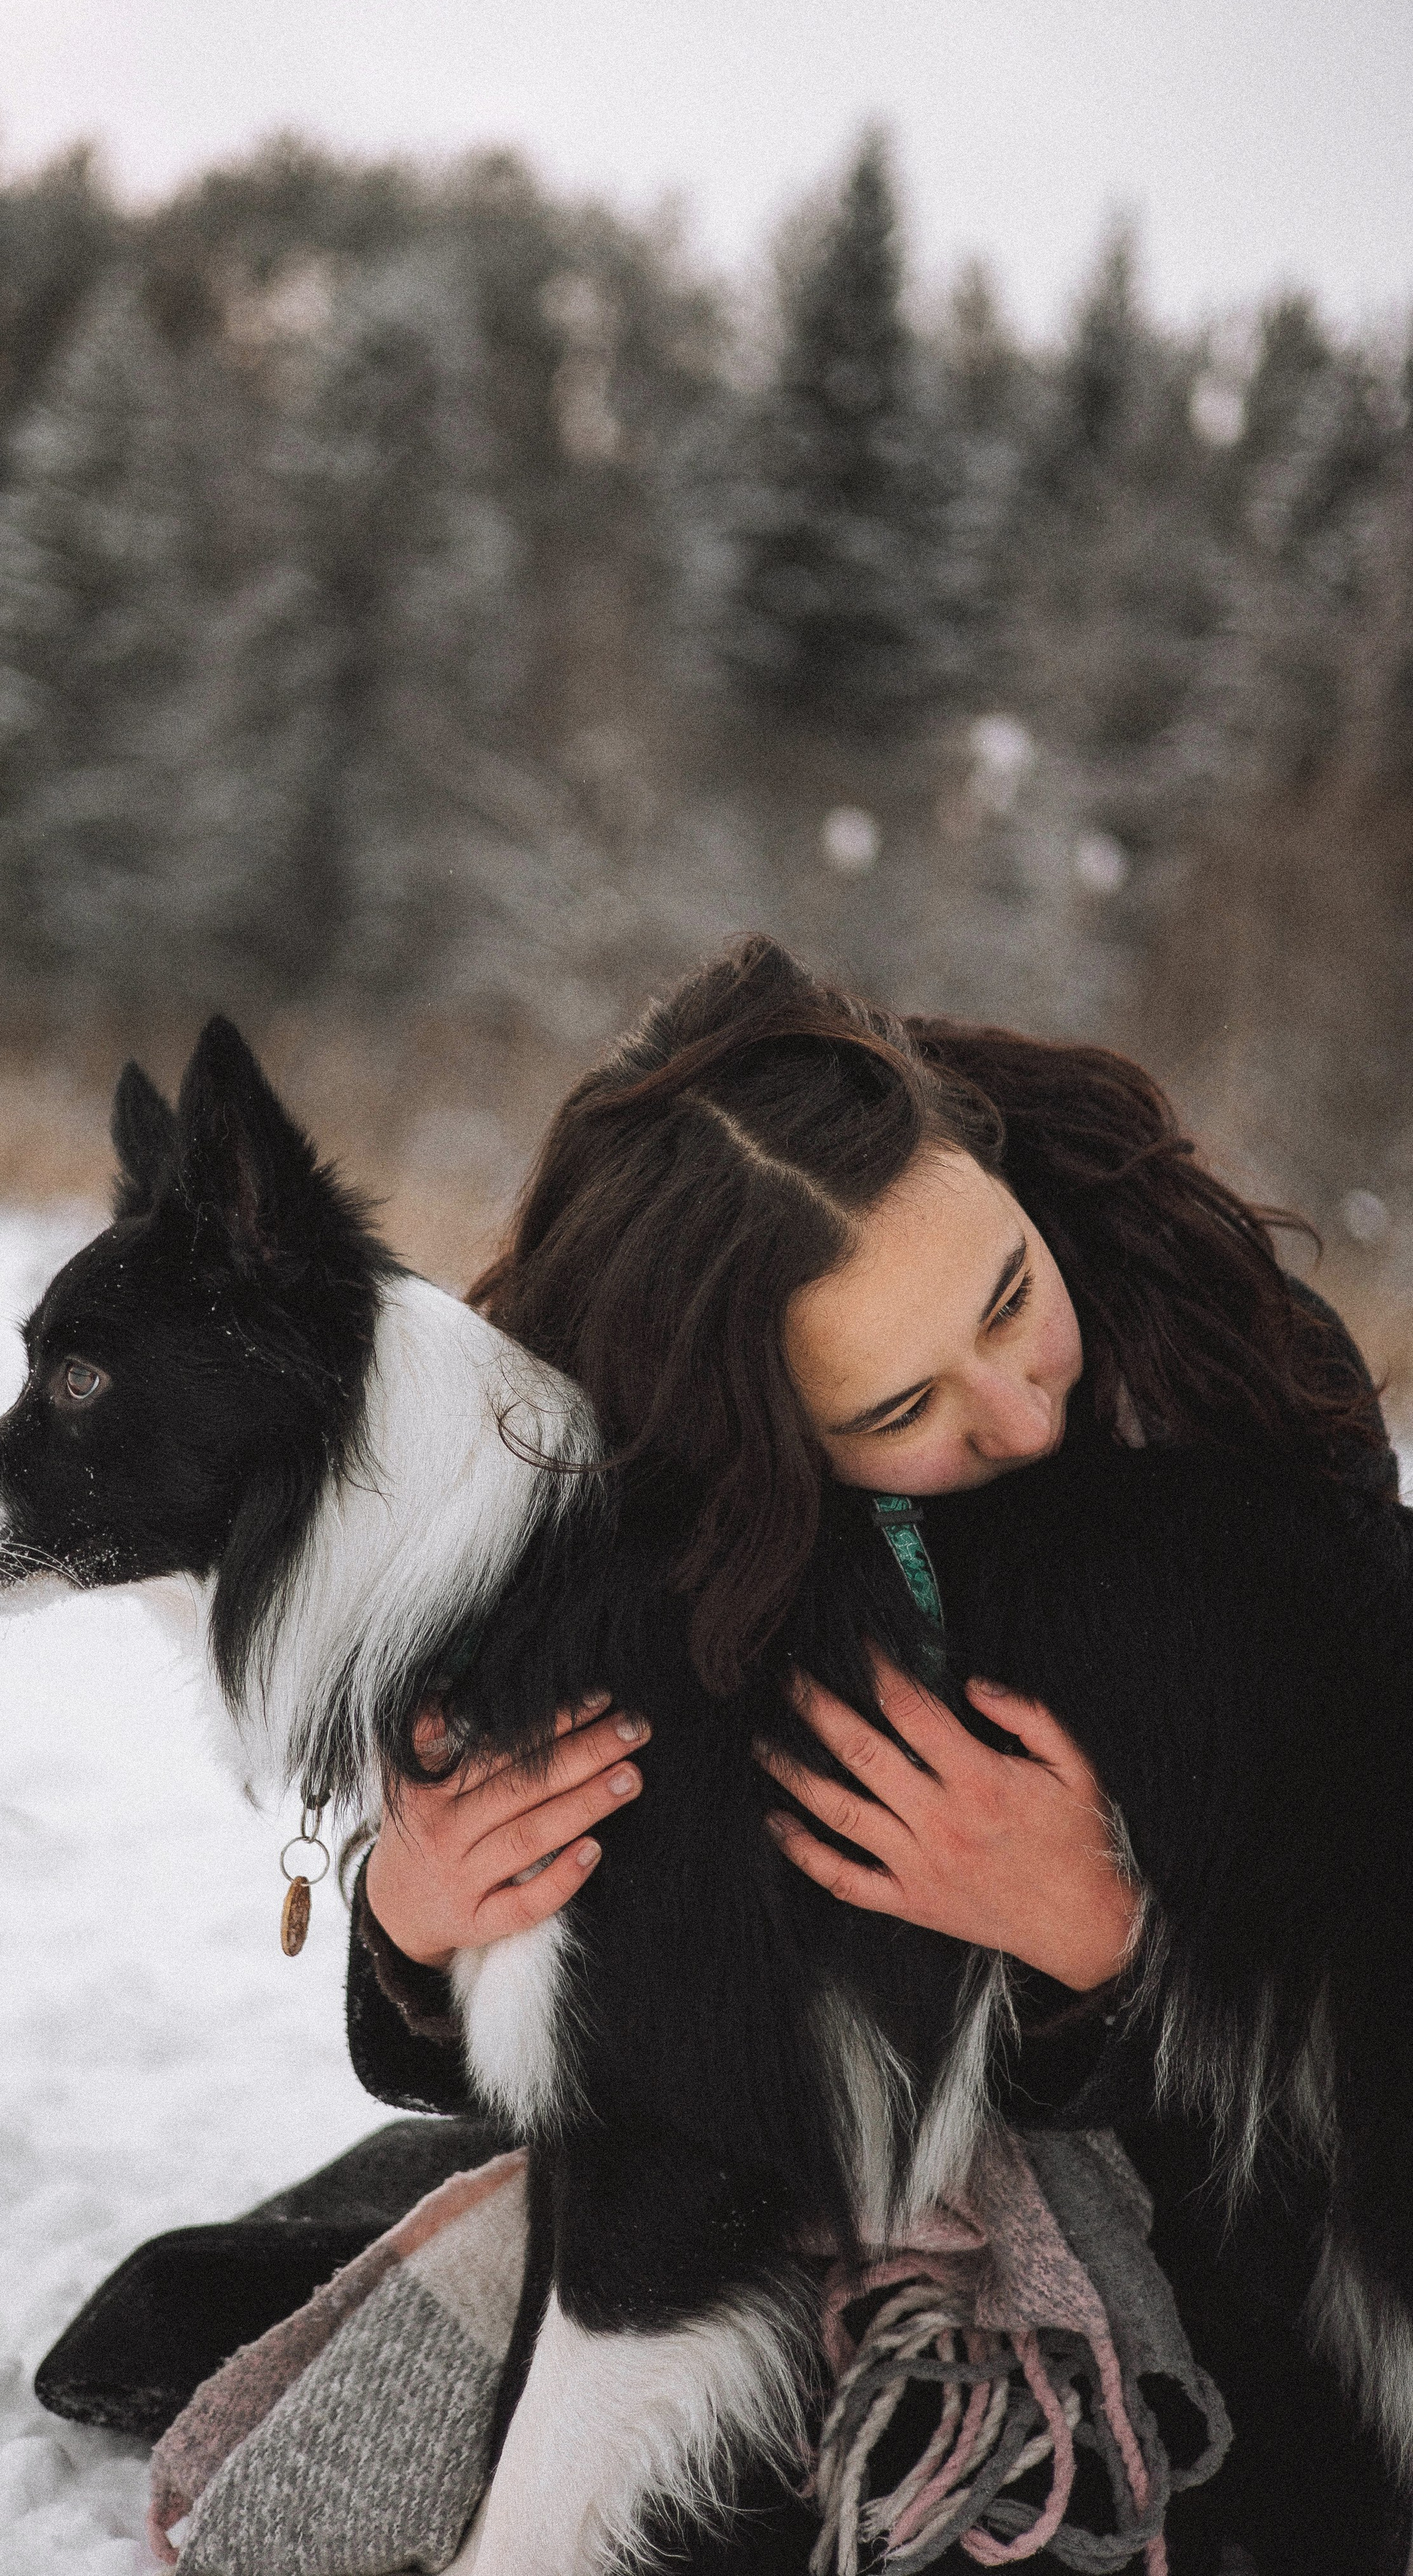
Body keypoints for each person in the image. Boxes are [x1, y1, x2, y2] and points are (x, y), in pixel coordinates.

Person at [343, 939, 1406, 2575]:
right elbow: (607, 2024)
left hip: (1249, 2143)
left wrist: (1104, 1950)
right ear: (749, 1454)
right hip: (823, 2156)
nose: (1017, 1415)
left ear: (978, 1147)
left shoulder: (1225, 1356)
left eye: (1007, 1299)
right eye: (900, 1406)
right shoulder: (625, 1525)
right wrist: (411, 1927)